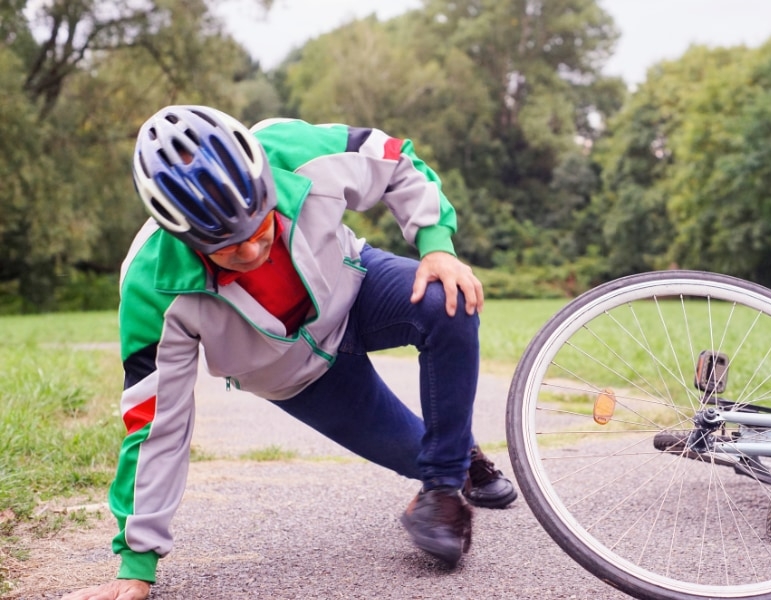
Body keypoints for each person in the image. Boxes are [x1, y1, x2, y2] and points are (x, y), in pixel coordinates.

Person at [61, 105, 517, 600]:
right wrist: (136, 565)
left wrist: (436, 244)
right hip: (298, 378)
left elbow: (394, 160)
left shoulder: (293, 149)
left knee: (446, 301)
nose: (255, 252)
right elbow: (155, 424)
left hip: (357, 289)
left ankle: (446, 481)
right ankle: (455, 454)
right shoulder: (152, 285)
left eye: (262, 228)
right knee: (417, 452)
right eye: (232, 249)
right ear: (184, 237)